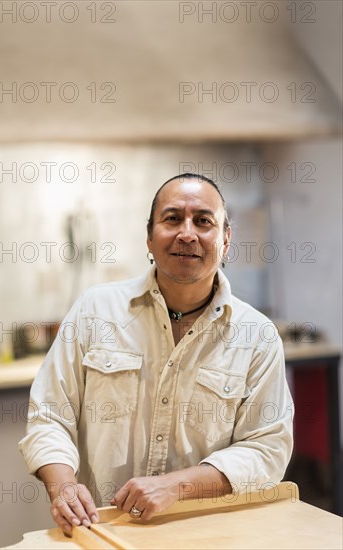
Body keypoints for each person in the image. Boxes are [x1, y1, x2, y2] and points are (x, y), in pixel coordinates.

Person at [19, 173, 293, 533]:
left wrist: (177, 486)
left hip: (208, 534)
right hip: (103, 530)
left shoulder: (257, 336)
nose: (187, 233)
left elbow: (266, 448)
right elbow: (50, 415)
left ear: (225, 240)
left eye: (204, 221)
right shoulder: (94, 311)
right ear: (149, 237)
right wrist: (63, 486)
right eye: (172, 218)